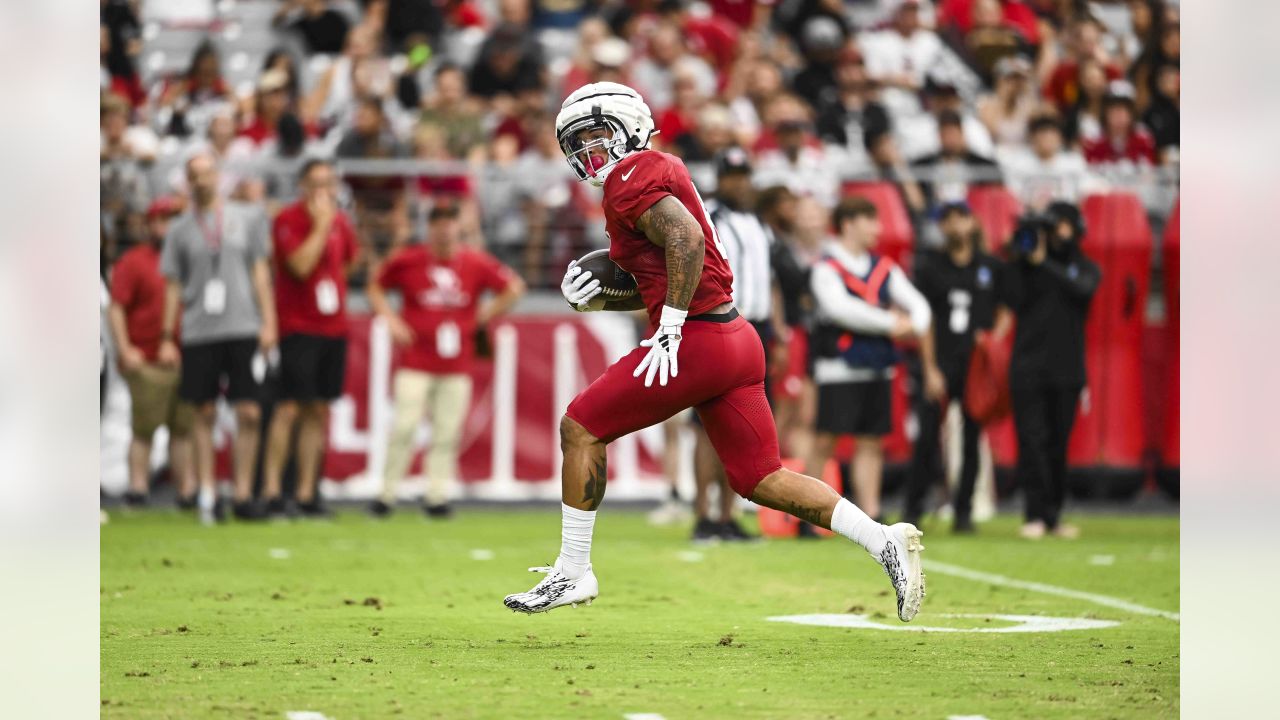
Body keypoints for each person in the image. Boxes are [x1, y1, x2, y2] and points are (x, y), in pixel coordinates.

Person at [503, 83, 926, 622]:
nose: (588, 150)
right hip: (734, 338)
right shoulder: (652, 172)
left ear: (629, 127)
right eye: (577, 142)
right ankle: (883, 540)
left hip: (698, 338)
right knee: (760, 478)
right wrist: (605, 301)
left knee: (581, 427)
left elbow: (687, 242)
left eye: (597, 134)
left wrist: (671, 328)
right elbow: (667, 273)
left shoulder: (631, 178)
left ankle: (572, 570)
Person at [368, 204, 526, 517]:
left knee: (447, 431)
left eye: (449, 223)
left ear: (458, 227)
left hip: (456, 361)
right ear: (430, 228)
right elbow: (376, 284)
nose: (444, 230)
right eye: (438, 224)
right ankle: (387, 493)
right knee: (404, 426)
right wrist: (391, 320)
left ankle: (436, 494)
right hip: (416, 358)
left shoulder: (474, 261)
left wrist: (485, 314)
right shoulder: (411, 259)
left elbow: (514, 287)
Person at [159, 152, 278, 524]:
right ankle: (208, 493)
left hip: (242, 326)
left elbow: (260, 272)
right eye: (194, 174)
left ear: (218, 176)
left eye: (207, 172)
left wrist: (269, 321)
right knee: (203, 411)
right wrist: (167, 335)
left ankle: (242, 494)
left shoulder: (246, 218)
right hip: (199, 331)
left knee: (249, 411)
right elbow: (173, 286)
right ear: (187, 182)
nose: (202, 180)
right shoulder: (179, 228)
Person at [805, 196, 932, 523]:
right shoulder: (825, 268)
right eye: (870, 220)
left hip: (877, 367)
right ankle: (806, 514)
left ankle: (871, 512)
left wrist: (913, 325)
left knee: (871, 442)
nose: (877, 229)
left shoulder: (884, 267)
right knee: (826, 441)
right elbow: (841, 310)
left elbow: (920, 306)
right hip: (838, 367)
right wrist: (892, 323)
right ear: (848, 224)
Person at [902, 201, 1009, 533]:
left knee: (972, 437)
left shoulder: (991, 265)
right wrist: (930, 367)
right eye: (947, 219)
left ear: (973, 221)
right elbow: (925, 319)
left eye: (960, 217)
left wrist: (992, 341)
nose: (955, 225)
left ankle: (964, 511)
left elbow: (1005, 309)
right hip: (942, 361)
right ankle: (914, 508)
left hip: (975, 365)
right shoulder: (931, 266)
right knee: (927, 438)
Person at [262, 159, 359, 518]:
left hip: (332, 326)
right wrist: (320, 226)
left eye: (328, 183)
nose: (323, 192)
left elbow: (348, 263)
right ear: (302, 185)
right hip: (297, 325)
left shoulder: (342, 223)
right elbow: (300, 266)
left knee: (318, 409)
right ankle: (273, 491)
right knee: (289, 407)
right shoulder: (290, 220)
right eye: (315, 183)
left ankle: (306, 492)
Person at [688, 148, 776, 542]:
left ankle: (727, 515)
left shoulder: (758, 222)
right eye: (732, 176)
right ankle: (703, 515)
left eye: (744, 175)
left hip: (758, 328)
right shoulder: (711, 217)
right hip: (721, 325)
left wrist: (781, 328)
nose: (739, 183)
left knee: (740, 428)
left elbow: (769, 280)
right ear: (720, 179)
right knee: (707, 427)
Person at [1004, 202, 1100, 540]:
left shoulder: (1085, 267)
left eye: (1061, 225)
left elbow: (1083, 289)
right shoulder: (1028, 267)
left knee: (1058, 444)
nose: (1057, 232)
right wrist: (1017, 256)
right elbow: (1010, 297)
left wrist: (1042, 262)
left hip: (1067, 370)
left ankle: (1054, 514)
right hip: (1028, 368)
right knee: (1031, 442)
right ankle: (1034, 514)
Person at [107, 196, 196, 509]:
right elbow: (117, 307)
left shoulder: (192, 257)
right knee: (143, 427)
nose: (167, 226)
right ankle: (138, 488)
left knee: (183, 429)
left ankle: (186, 490)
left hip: (186, 356)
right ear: (150, 224)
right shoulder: (134, 261)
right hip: (147, 357)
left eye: (173, 218)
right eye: (161, 219)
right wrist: (126, 348)